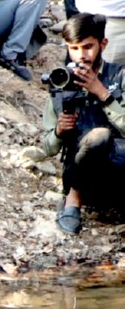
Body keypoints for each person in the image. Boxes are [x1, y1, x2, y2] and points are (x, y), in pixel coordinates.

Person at [42, 12, 125, 234]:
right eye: (74, 48)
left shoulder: (120, 76)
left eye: (88, 47)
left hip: (120, 165)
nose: (81, 56)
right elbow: (47, 147)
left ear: (103, 44)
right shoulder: (61, 81)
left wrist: (103, 94)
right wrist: (59, 131)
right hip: (81, 171)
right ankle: (73, 199)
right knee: (98, 137)